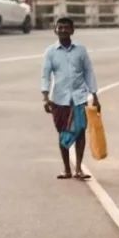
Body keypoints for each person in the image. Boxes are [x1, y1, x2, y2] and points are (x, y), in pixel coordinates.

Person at [41, 17, 100, 180]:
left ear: (72, 30)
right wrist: (45, 97)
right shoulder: (50, 52)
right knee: (63, 133)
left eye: (66, 28)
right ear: (55, 30)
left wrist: (94, 94)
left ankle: (79, 168)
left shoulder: (81, 50)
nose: (63, 31)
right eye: (60, 28)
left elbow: (89, 72)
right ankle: (67, 168)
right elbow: (45, 76)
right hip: (59, 100)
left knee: (80, 132)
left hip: (80, 98)